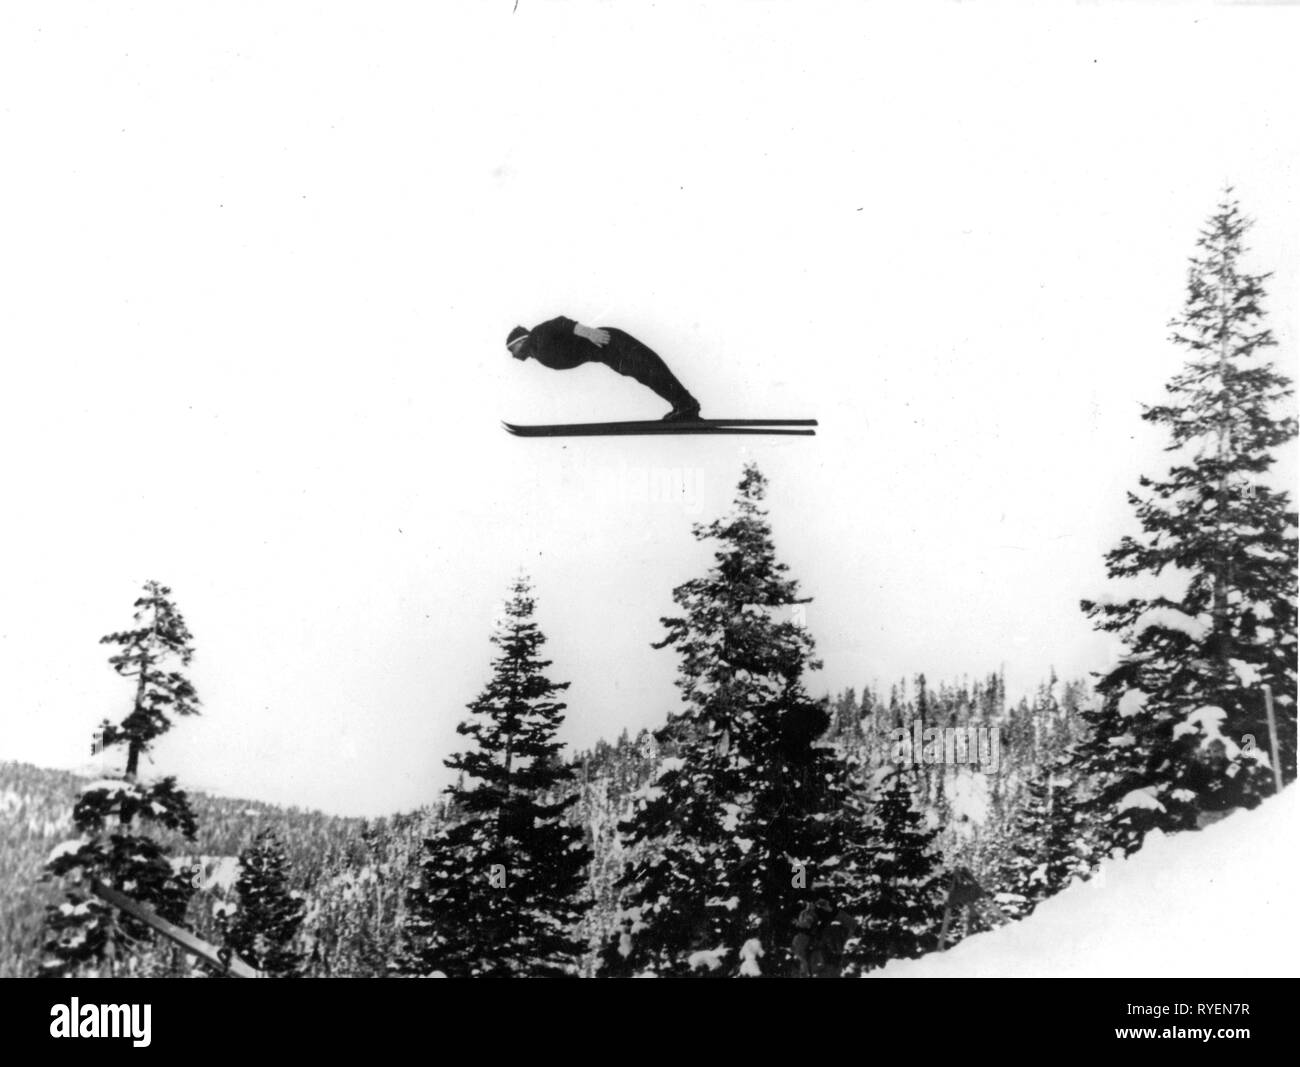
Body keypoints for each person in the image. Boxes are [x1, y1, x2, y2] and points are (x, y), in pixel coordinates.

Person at [506, 316, 702, 421]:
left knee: (650, 370)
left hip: (608, 342)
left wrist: (590, 333)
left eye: (512, 350)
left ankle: (686, 405)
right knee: (647, 374)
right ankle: (684, 405)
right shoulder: (537, 350)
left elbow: (560, 323)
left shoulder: (537, 337)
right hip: (606, 352)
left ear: (520, 340)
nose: (514, 356)